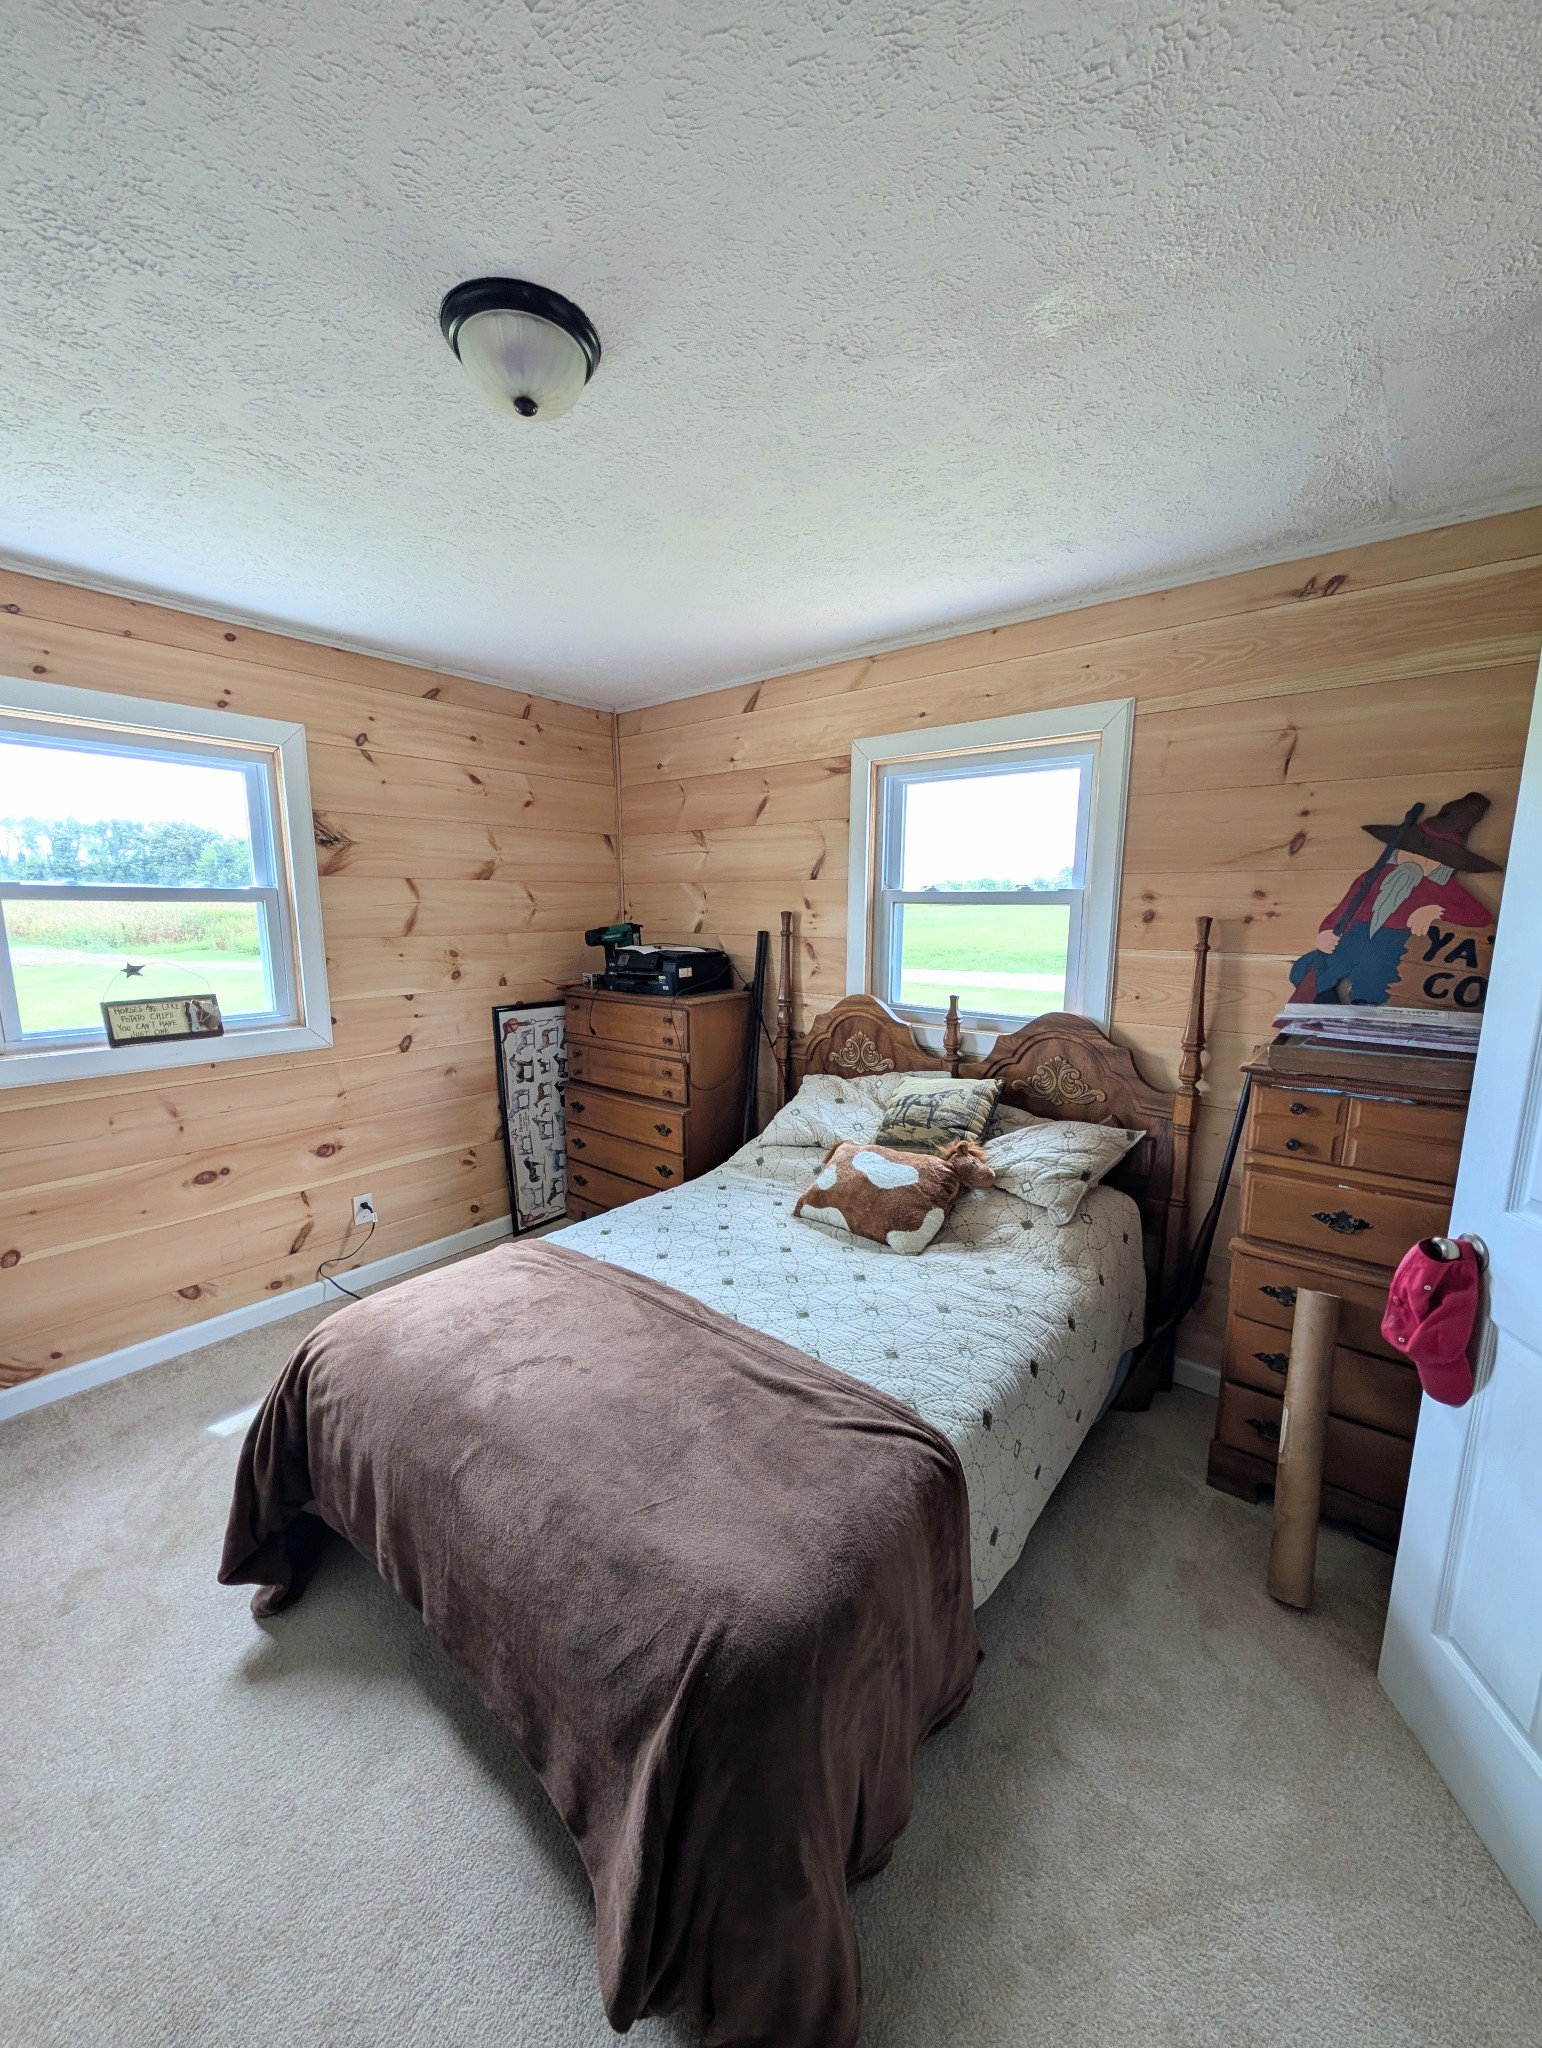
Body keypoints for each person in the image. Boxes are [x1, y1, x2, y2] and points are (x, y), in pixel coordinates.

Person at [1290, 792, 1499, 1005]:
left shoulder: (1445, 889)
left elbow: (1480, 916)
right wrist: (1327, 931)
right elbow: (1347, 905)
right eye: (1410, 852)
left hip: (1394, 943)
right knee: (1303, 970)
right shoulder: (1375, 875)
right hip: (1352, 936)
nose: (1415, 861)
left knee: (1374, 989)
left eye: (1431, 858)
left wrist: (1438, 911)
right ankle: (1326, 1017)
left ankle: (1359, 1028)